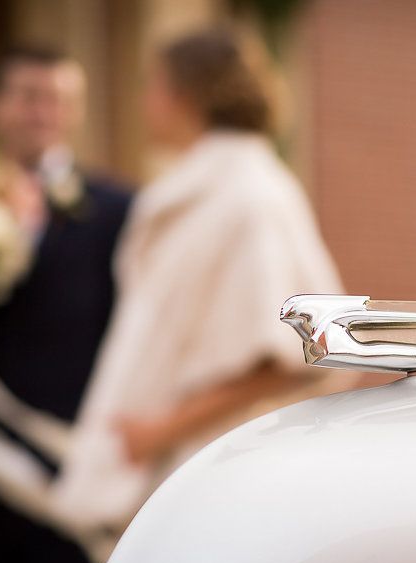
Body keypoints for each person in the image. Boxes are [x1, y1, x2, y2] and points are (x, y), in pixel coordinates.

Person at [51, 28, 347, 527]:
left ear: (186, 94)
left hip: (219, 479)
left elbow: (296, 355)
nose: (144, 102)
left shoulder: (252, 197)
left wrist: (157, 432)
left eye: (153, 85)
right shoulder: (202, 192)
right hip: (175, 474)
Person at [0, 47, 131, 563]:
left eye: (58, 99)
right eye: (28, 97)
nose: (42, 112)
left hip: (70, 472)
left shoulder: (118, 209)